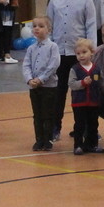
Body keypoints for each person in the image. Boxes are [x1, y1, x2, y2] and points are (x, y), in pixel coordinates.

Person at [47, 0, 99, 143]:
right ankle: (55, 127)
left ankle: (85, 128)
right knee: (58, 92)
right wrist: (50, 50)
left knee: (82, 92)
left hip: (79, 55)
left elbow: (90, 26)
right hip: (60, 54)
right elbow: (50, 26)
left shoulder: (86, 0)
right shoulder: (54, 1)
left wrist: (91, 50)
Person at [22, 14, 61, 151]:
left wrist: (41, 79)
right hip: (34, 87)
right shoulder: (31, 48)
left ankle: (48, 139)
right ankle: (39, 139)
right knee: (37, 114)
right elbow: (26, 65)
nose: (37, 28)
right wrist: (29, 79)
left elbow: (53, 65)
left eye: (41, 26)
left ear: (49, 30)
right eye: (34, 26)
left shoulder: (53, 47)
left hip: (48, 87)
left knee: (47, 114)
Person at [69, 37, 104, 155]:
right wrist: (82, 83)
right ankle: (78, 145)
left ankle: (92, 145)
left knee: (93, 124)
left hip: (94, 102)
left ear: (92, 52)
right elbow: (71, 84)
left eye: (84, 52)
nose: (81, 56)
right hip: (79, 103)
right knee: (79, 125)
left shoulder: (96, 69)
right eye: (78, 53)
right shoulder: (75, 69)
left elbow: (101, 82)